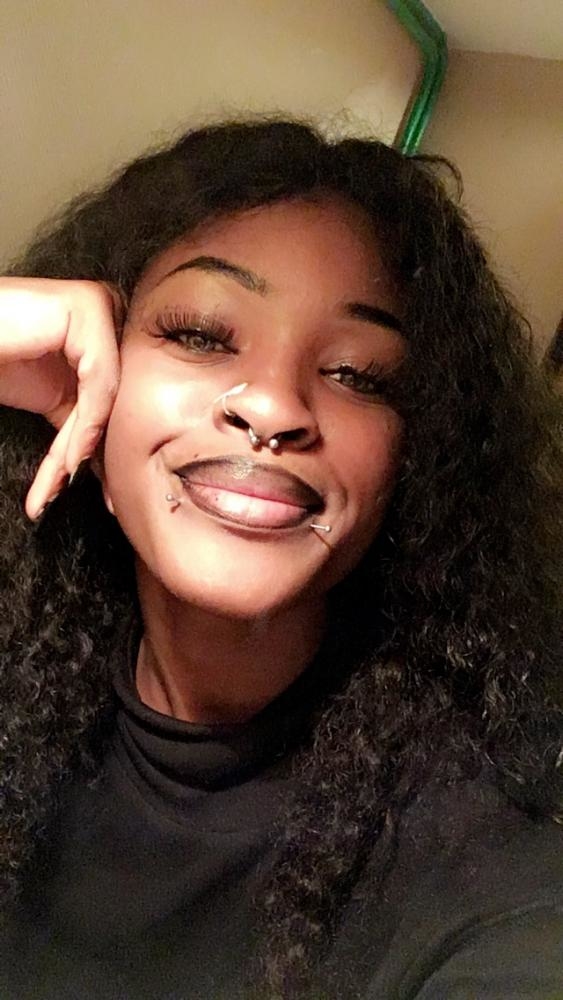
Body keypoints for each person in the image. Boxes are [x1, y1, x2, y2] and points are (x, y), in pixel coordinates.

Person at [0, 119, 562, 1000]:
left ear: (413, 471)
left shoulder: (483, 862)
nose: (272, 405)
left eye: (357, 374)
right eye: (200, 333)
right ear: (84, 395)